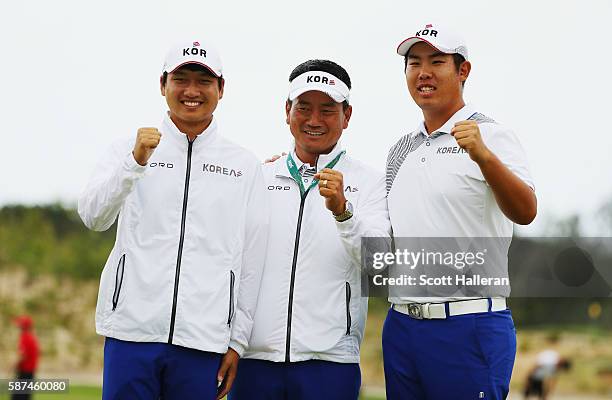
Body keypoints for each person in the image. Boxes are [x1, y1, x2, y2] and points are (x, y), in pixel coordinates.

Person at [78, 39, 269, 400]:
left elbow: (252, 263)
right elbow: (93, 216)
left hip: (203, 340)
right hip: (131, 333)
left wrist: (237, 342)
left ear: (221, 89)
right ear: (163, 84)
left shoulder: (243, 165)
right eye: (182, 79)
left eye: (204, 80)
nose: (192, 91)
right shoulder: (128, 149)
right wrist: (134, 163)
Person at [383, 23, 537, 400]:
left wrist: (484, 156)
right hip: (402, 327)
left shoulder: (492, 134)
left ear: (463, 70)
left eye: (437, 61)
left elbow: (526, 210)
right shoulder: (399, 150)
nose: (423, 72)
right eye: (414, 63)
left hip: (470, 324)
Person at [229, 60, 391, 400]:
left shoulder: (372, 183)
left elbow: (379, 266)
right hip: (254, 360)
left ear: (347, 116)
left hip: (329, 363)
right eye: (304, 107)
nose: (314, 120)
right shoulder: (258, 177)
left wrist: (344, 213)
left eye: (328, 110)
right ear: (287, 111)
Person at [12, 316, 39, 400]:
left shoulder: (25, 337)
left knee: (19, 396)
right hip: (29, 371)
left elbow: (22, 355)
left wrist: (13, 365)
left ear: (23, 326)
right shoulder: (31, 337)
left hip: (25, 371)